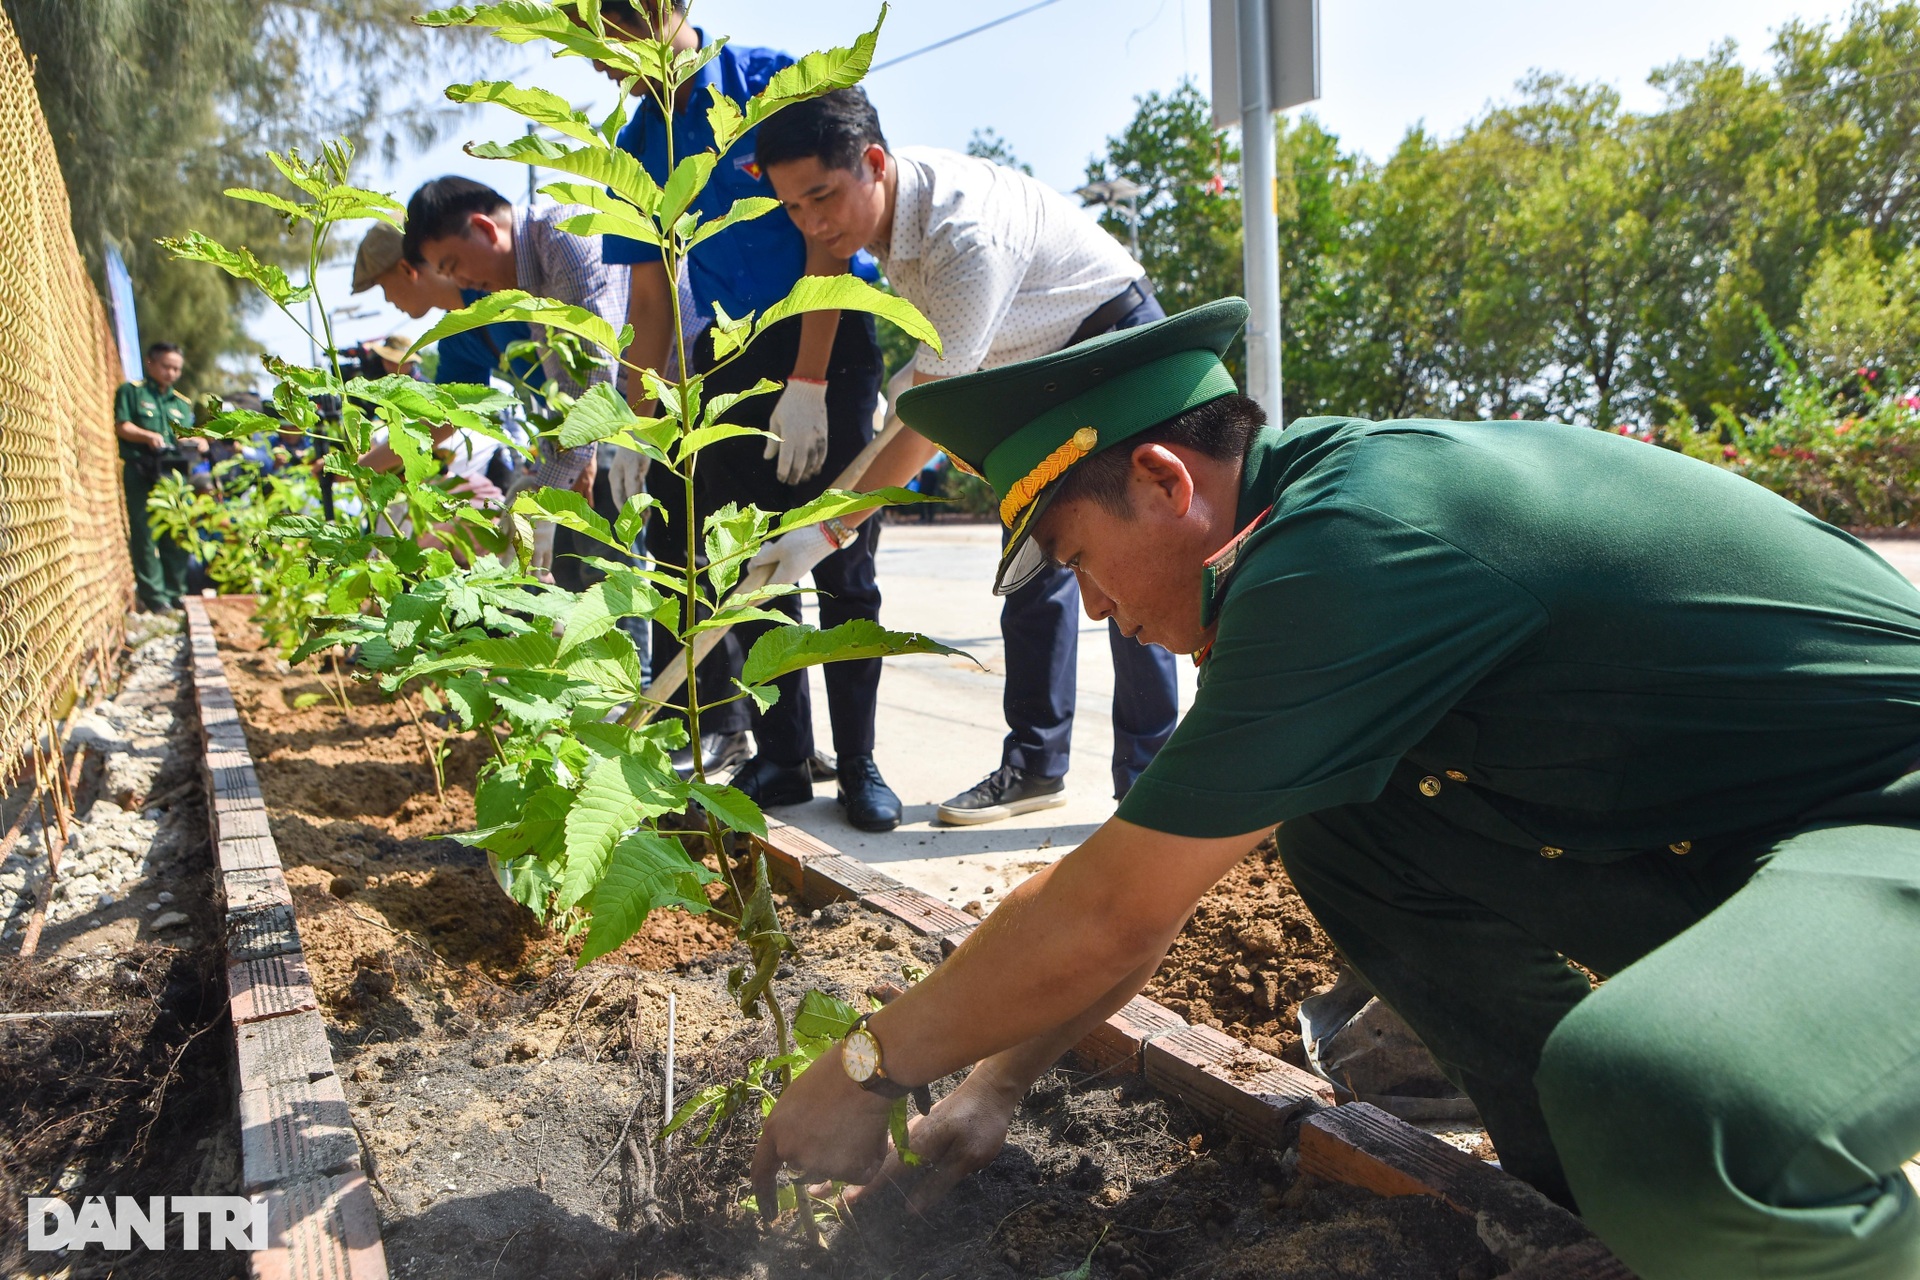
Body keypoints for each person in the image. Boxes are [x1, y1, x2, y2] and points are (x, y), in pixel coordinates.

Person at [750, 297, 1920, 1280]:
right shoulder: (1306, 528)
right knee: (1349, 826)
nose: (1096, 608)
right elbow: (1146, 881)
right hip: (1761, 838)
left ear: (1163, 481)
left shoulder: (1351, 549)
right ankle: (1615, 1211)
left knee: (1664, 1091)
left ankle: (1708, 1188)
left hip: (1891, 816)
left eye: (1078, 563)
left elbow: (1103, 910)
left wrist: (868, 1063)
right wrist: (995, 1084)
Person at [755, 88, 1181, 826]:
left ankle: (1151, 790)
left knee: (1131, 567)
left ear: (874, 164)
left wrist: (829, 529)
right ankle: (1036, 766)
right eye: (793, 208)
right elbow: (932, 379)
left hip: (1112, 351)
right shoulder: (876, 220)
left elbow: (928, 417)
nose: (812, 225)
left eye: (821, 198)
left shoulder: (961, 232)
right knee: (1034, 561)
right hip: (1035, 368)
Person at [592, 0, 901, 832]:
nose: (595, 62)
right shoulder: (635, 150)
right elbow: (650, 302)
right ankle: (783, 757)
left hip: (826, 338)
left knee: (838, 558)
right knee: (750, 567)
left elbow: (826, 238)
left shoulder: (769, 86)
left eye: (606, 35)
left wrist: (808, 379)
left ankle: (861, 760)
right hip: (731, 360)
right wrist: (638, 421)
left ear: (664, 11)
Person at [404, 176, 639, 509]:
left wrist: (537, 507)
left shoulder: (564, 240)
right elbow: (567, 394)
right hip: (644, 412)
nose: (462, 282)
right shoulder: (525, 288)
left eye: (453, 266)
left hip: (694, 383)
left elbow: (588, 389)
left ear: (484, 228)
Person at [115, 341, 207, 612]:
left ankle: (175, 591)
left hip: (173, 475)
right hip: (141, 469)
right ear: (151, 363)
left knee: (177, 532)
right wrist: (147, 436)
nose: (171, 373)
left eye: (176, 368)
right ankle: (154, 597)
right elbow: (123, 425)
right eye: (166, 366)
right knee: (145, 532)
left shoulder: (180, 403)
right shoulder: (131, 392)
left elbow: (185, 434)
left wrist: (199, 441)